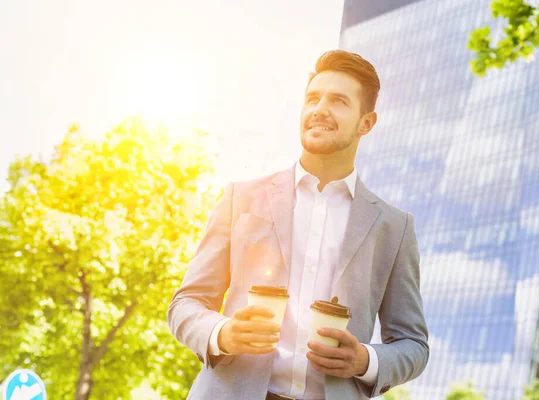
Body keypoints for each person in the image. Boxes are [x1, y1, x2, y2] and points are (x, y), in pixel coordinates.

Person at [167, 50, 429, 400]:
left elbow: (413, 344)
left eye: (338, 101)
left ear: (366, 123)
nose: (319, 109)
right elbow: (186, 302)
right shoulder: (240, 198)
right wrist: (222, 333)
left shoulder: (394, 228)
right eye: (312, 98)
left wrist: (366, 360)